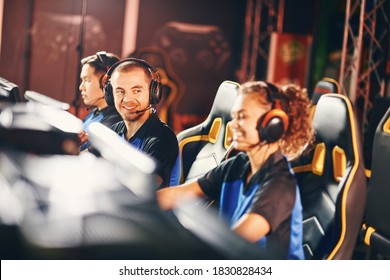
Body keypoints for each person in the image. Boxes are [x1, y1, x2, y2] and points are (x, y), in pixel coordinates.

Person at [157, 81, 313, 259]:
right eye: (234, 117)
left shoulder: (280, 186)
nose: (233, 125)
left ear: (273, 124)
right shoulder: (238, 165)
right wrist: (137, 201)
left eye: (242, 117)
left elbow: (236, 242)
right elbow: (181, 193)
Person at [102, 58, 180, 189]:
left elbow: (142, 189)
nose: (127, 99)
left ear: (153, 93)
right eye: (120, 91)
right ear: (110, 95)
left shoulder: (162, 139)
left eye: (136, 91)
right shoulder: (114, 131)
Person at [78, 51, 122, 151]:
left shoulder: (114, 123)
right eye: (82, 80)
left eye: (87, 80)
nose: (81, 87)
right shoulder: (94, 113)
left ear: (106, 84)